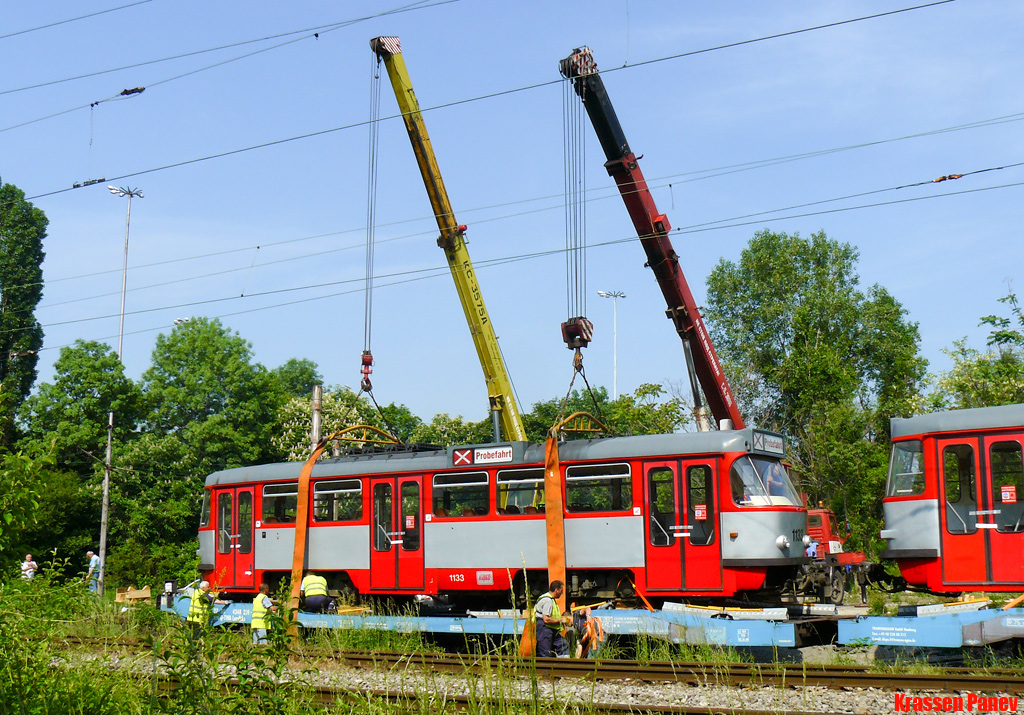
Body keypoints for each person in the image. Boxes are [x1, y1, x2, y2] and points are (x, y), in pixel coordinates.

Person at [533, 580, 570, 658]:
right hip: (544, 629)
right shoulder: (548, 601)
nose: (562, 592)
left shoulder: (550, 600)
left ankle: (564, 667)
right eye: (561, 590)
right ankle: (546, 669)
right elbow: (546, 619)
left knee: (563, 645)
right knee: (545, 653)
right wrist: (560, 620)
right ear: (556, 590)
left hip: (550, 629)